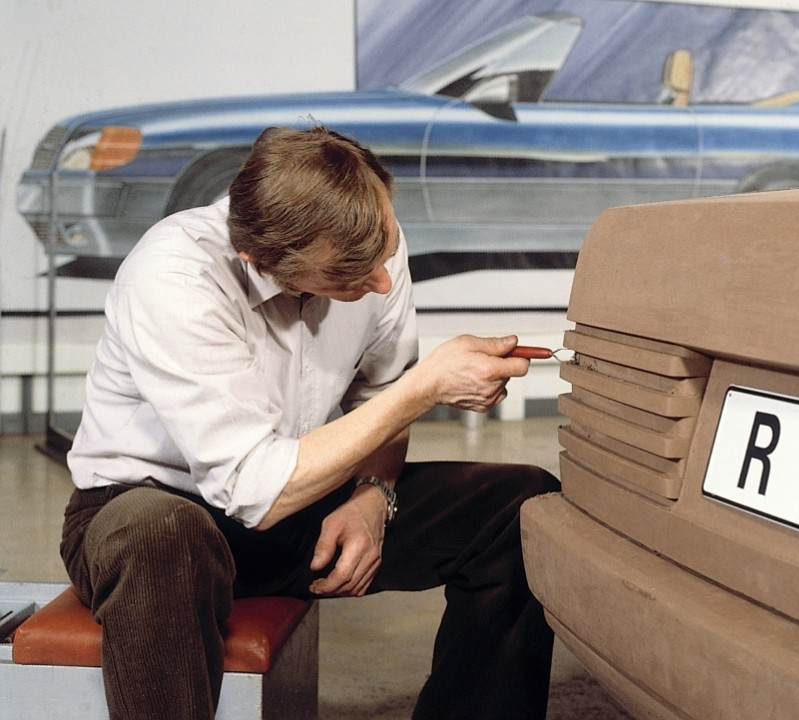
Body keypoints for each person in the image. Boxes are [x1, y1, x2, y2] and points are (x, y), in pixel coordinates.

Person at [59, 124, 561, 720]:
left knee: (520, 507)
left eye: (384, 253)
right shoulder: (173, 276)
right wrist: (425, 387)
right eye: (349, 275)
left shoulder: (370, 244)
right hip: (153, 516)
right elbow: (256, 490)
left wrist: (373, 496)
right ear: (260, 259)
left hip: (301, 498)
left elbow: (377, 396)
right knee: (160, 534)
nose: (381, 281)